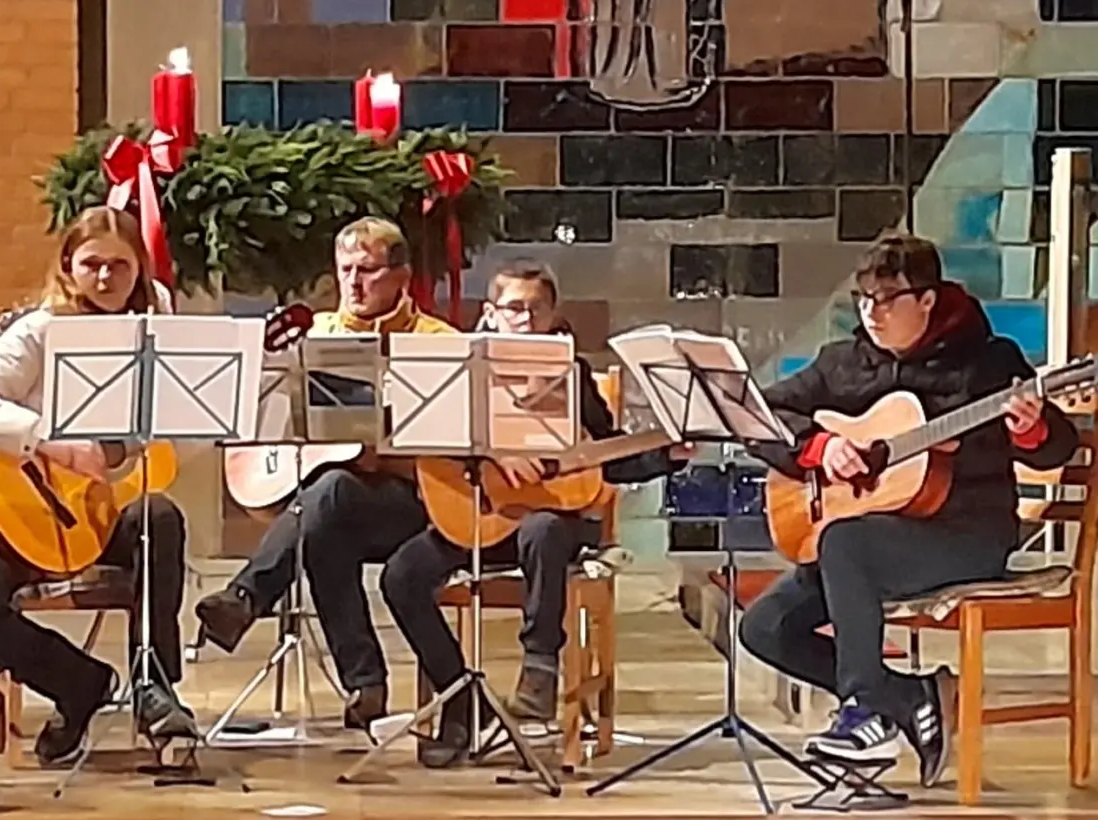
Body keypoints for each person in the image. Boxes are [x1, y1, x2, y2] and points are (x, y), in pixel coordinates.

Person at [740, 233, 1078, 787]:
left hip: (966, 535)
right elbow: (763, 412)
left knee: (846, 542)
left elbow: (1057, 445)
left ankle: (866, 713)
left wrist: (1032, 427)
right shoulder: (845, 362)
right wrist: (821, 448)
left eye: (887, 298)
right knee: (765, 627)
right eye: (863, 298)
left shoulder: (988, 363)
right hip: (878, 542)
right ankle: (907, 695)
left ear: (927, 300)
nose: (872, 312)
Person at [378, 259, 692, 766]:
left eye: (535, 309)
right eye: (512, 309)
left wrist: (663, 455)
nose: (523, 319)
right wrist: (491, 453)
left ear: (552, 314)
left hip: (548, 522)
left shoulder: (571, 373)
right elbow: (419, 437)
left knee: (543, 530)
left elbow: (604, 454)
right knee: (401, 575)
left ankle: (539, 668)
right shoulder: (456, 372)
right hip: (476, 512)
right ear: (490, 314)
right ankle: (461, 701)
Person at [0, 206, 198, 767]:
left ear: (141, 270)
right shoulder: (38, 330)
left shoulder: (161, 327)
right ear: (68, 266)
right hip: (43, 501)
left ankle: (155, 686)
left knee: (160, 516)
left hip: (116, 509)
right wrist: (46, 441)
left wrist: (130, 447)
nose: (105, 278)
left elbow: (182, 433)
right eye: (92, 265)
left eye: (120, 267)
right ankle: (79, 684)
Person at [194, 217, 456, 731]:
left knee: (329, 496)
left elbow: (453, 448)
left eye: (368, 271)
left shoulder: (436, 341)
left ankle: (248, 596)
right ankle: (366, 685)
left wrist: (389, 453)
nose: (354, 283)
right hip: (337, 507)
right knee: (324, 523)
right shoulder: (312, 338)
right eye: (346, 271)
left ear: (401, 276)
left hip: (416, 502)